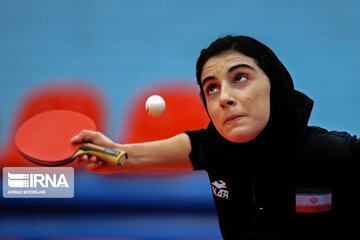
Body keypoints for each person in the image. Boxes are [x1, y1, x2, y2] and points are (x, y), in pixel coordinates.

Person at [72, 35, 360, 239]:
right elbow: (143, 153)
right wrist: (112, 153)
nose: (224, 97)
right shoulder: (216, 149)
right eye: (211, 88)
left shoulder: (335, 153)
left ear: (276, 84)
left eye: (240, 78)